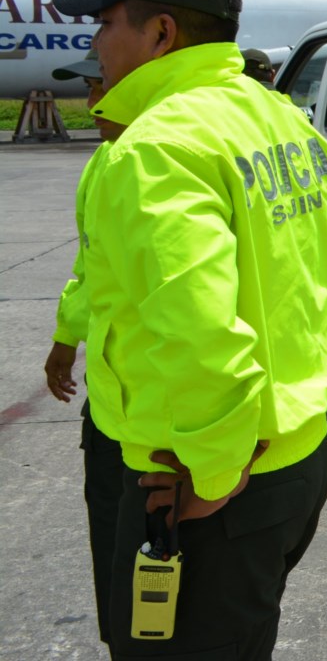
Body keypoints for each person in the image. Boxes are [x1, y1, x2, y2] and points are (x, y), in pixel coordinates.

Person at [54, 0, 327, 658]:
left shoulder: (155, 147)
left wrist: (215, 468)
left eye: (106, 22)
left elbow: (202, 335)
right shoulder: (278, 119)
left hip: (200, 485)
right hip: (298, 457)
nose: (97, 40)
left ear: (160, 33)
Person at [41, 48, 128, 649]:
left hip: (163, 431)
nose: (92, 101)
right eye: (87, 87)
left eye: (101, 85)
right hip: (112, 406)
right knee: (116, 567)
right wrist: (65, 339)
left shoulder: (159, 159)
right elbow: (89, 267)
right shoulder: (104, 162)